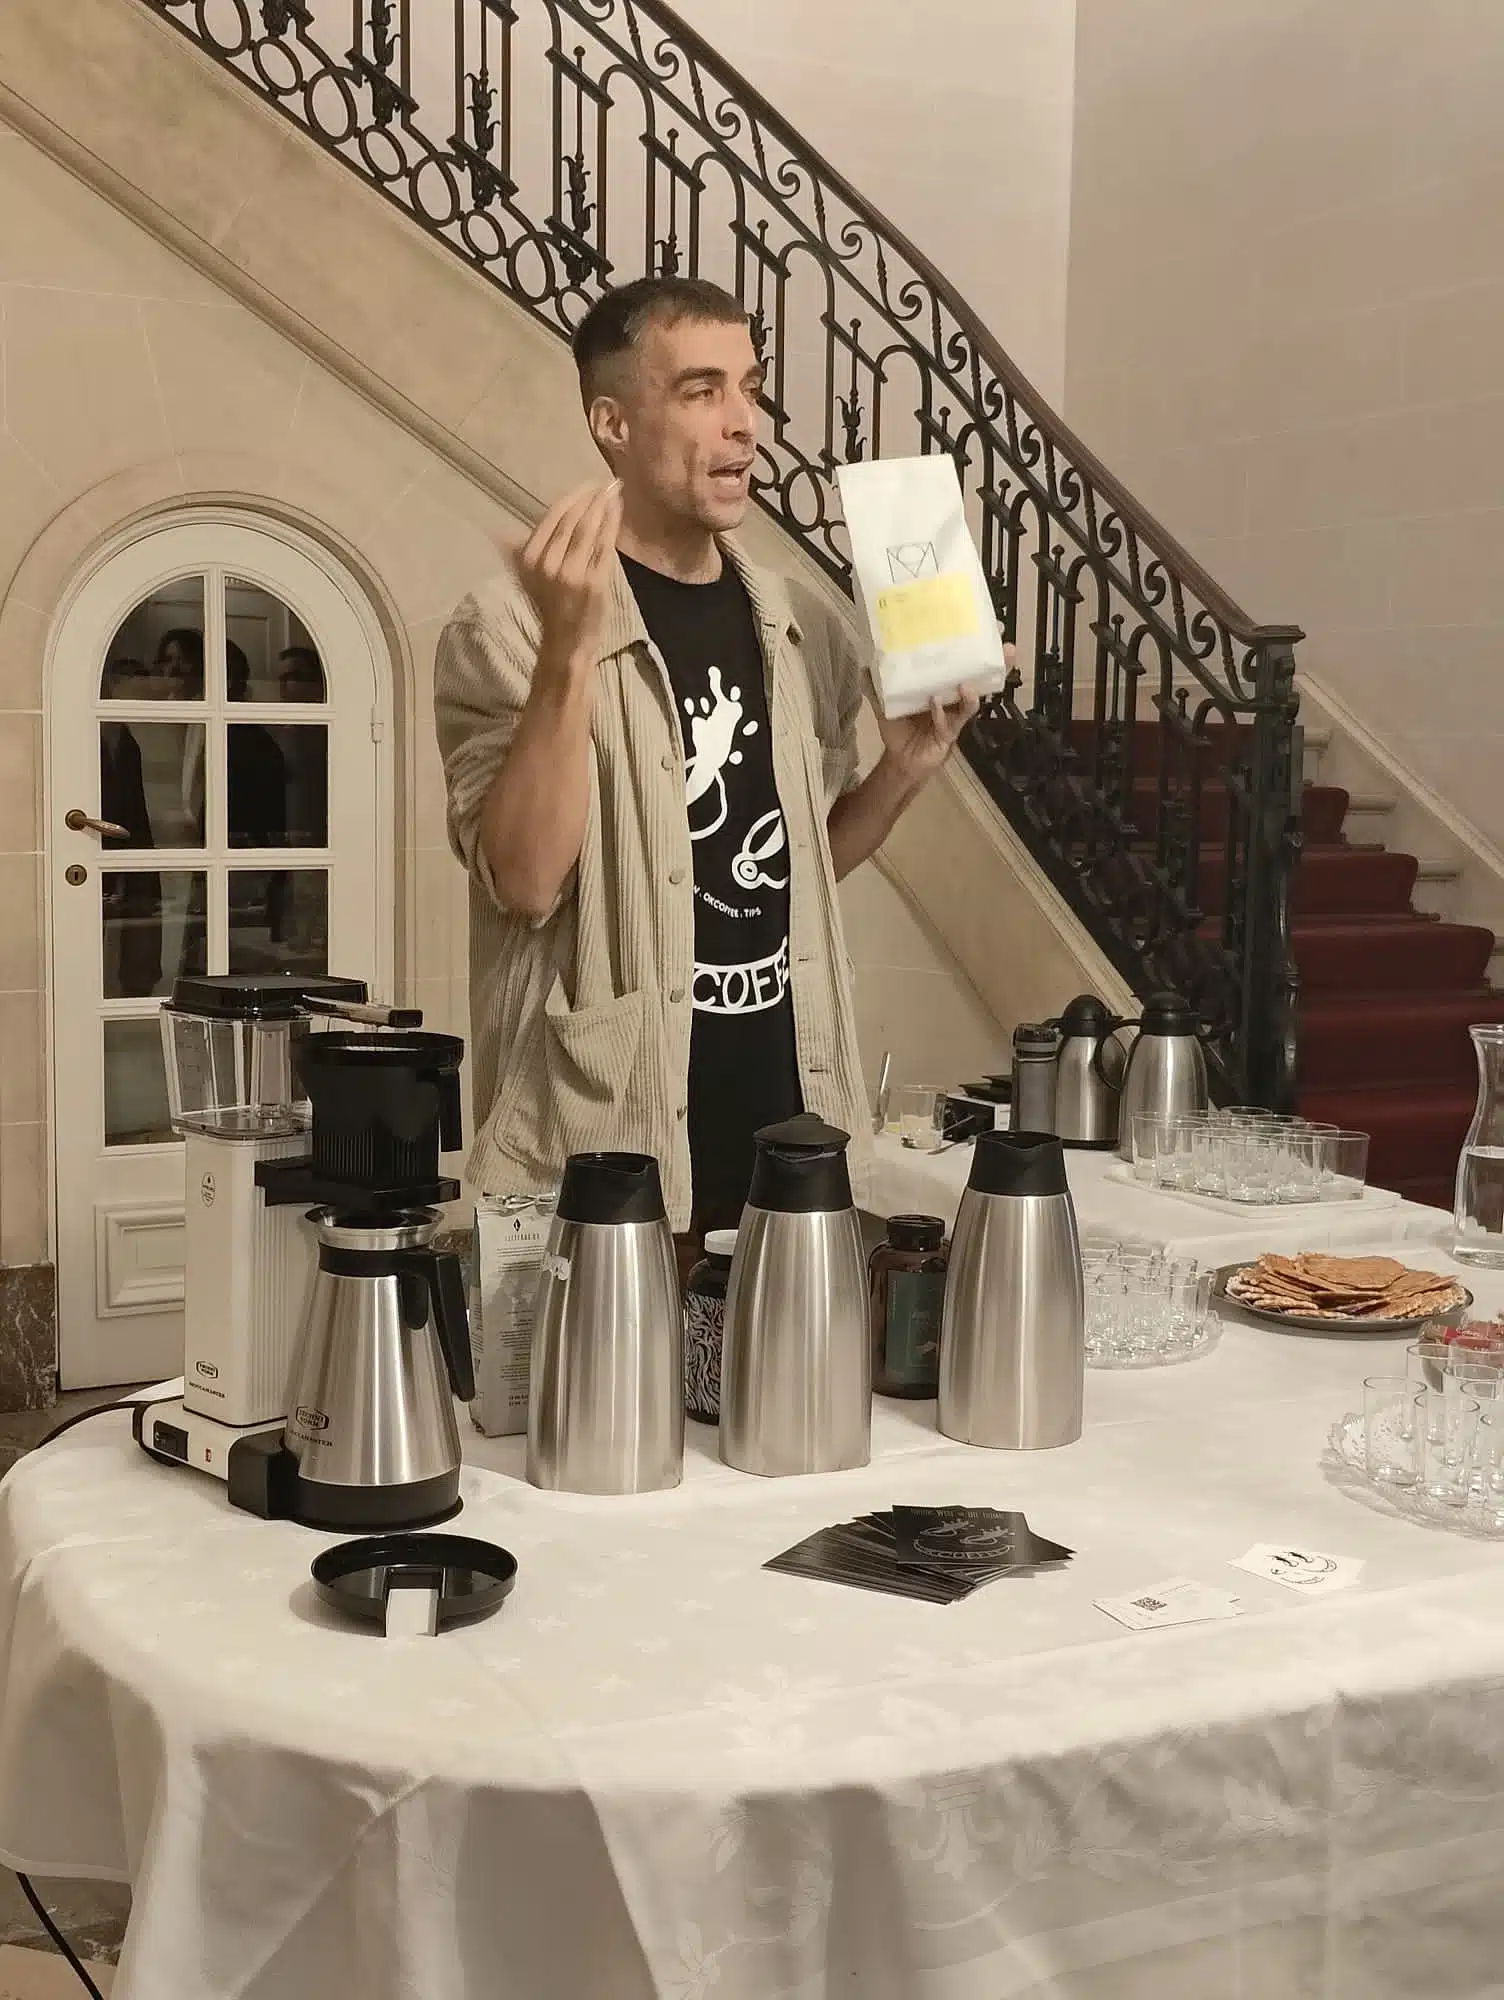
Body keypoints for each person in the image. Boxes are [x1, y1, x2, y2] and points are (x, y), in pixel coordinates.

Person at [435, 275, 978, 1244]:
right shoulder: (509, 625)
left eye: (750, 387)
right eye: (701, 391)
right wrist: (569, 655)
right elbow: (524, 880)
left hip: (794, 1134)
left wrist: (905, 767)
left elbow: (796, 866)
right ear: (612, 423)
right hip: (613, 1153)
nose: (743, 423)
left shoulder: (802, 625)